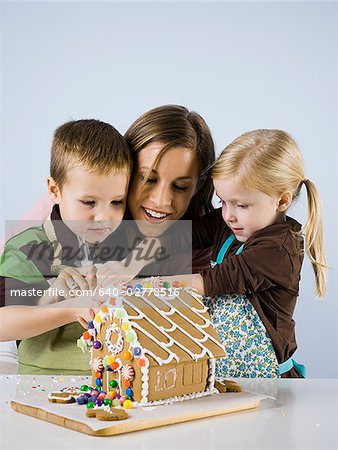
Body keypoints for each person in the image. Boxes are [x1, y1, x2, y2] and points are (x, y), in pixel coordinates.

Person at [191, 129, 327, 378]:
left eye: (241, 205)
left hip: (270, 384)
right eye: (223, 202)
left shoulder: (278, 249)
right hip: (225, 378)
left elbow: (208, 282)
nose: (228, 214)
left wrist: (137, 288)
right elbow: (181, 236)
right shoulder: (230, 223)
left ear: (282, 201)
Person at [0, 119, 132, 374]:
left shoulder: (126, 244)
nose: (103, 216)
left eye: (116, 202)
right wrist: (69, 308)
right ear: (54, 190)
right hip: (44, 385)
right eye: (89, 202)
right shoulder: (29, 247)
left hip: (116, 385)